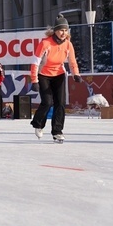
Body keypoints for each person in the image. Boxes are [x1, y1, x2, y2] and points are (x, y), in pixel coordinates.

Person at [30, 15, 82, 143]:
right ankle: (38, 123)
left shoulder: (68, 45)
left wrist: (76, 74)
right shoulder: (45, 43)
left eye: (66, 30)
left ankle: (57, 131)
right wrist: (34, 80)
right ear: (55, 31)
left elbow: (72, 61)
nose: (63, 33)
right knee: (47, 102)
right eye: (61, 30)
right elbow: (35, 62)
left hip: (59, 75)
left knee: (60, 103)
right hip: (44, 75)